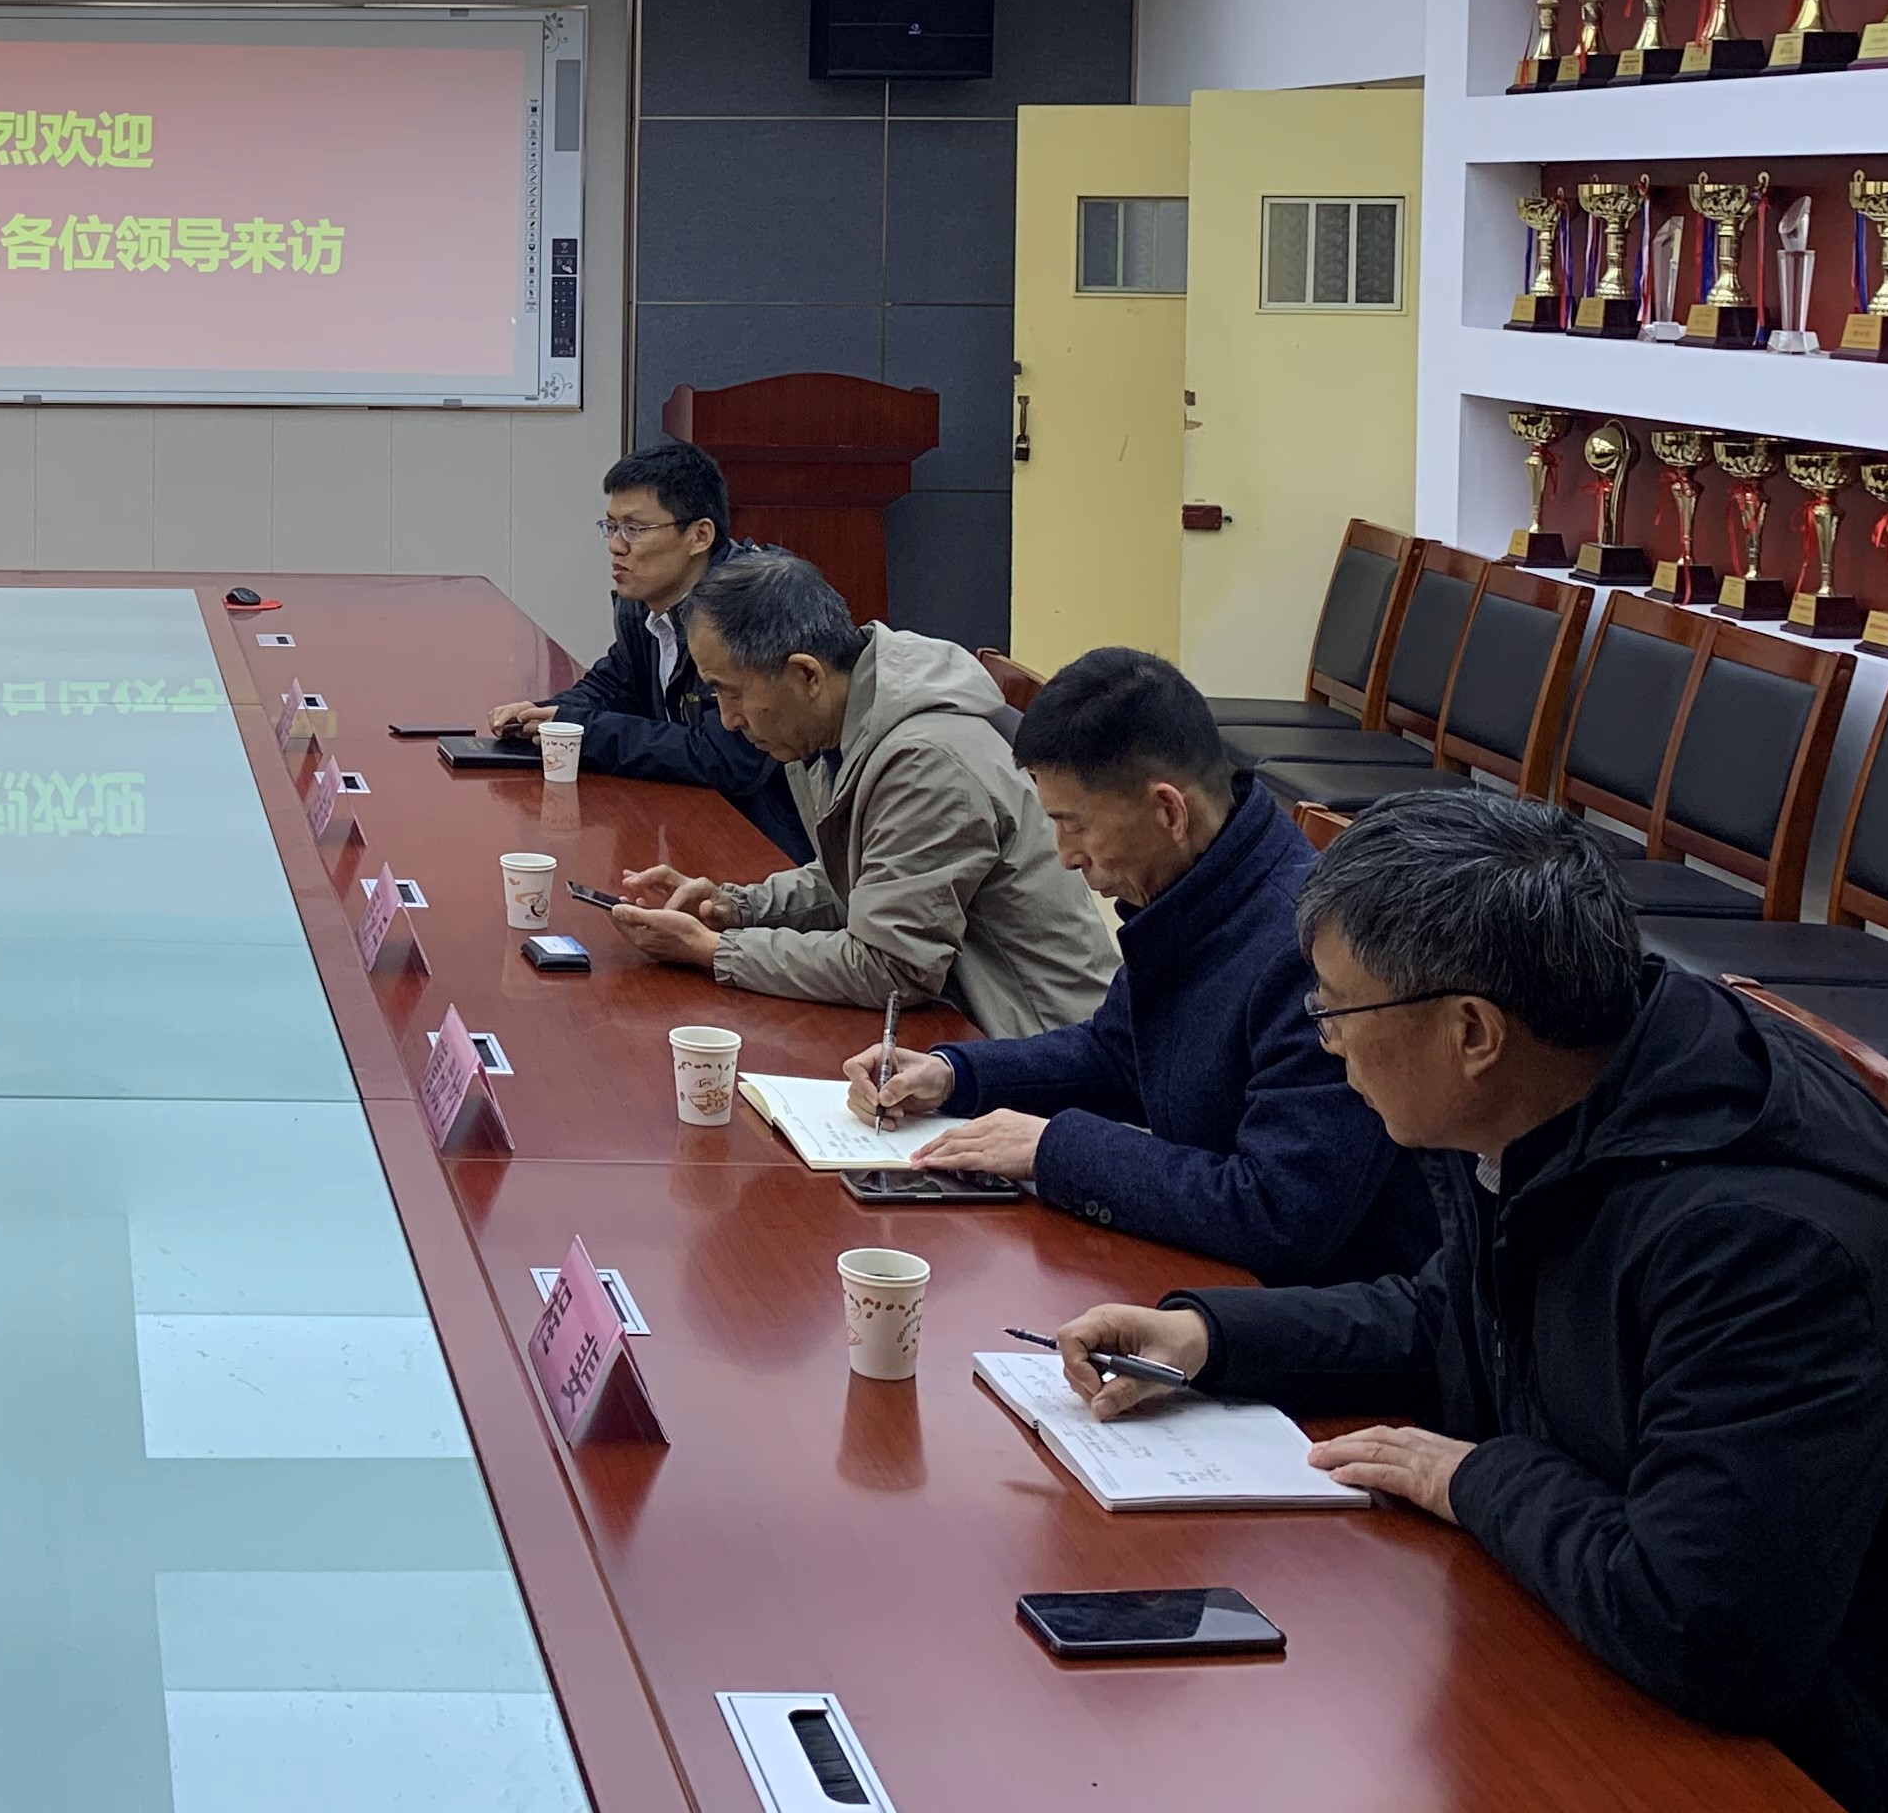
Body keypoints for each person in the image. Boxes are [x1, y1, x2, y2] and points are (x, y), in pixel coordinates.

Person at [1054, 792, 1888, 1813]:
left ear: (1472, 1031)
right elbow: (1456, 1318)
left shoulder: (1761, 1248)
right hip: (1626, 1670)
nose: (1326, 1043)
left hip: (1845, 1762)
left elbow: (1703, 1629)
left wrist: (1475, 1476)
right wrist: (1208, 1336)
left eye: (1337, 1011)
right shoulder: (1549, 1099)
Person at [838, 645, 1427, 1283]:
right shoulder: (1198, 884)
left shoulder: (1309, 953)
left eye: (1075, 825)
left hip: (1314, 1307)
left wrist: (1054, 1148)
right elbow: (1119, 1054)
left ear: (1169, 810)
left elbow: (1276, 1212)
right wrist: (955, 1075)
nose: (1065, 855)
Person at [601, 551, 1115, 1036]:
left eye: (730, 691)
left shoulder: (925, 762)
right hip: (953, 1023)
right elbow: (859, 878)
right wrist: (734, 906)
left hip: (1027, 1044)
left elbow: (891, 968)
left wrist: (714, 950)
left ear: (806, 674)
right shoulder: (830, 721)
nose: (728, 719)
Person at [484, 439, 807, 857]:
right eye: (611, 527)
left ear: (699, 536)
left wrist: (583, 731)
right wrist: (544, 717)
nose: (616, 546)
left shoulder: (749, 610)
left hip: (768, 845)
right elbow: (615, 684)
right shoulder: (647, 601)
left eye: (635, 530)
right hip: (690, 823)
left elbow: (727, 759)